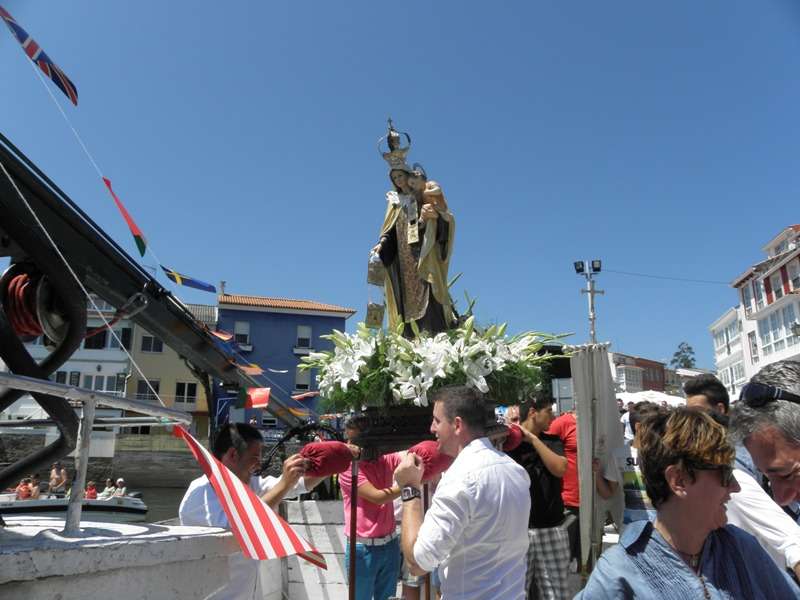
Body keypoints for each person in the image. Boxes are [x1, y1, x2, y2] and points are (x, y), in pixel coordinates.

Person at [577, 407, 799, 599]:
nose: (735, 487)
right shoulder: (618, 573)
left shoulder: (742, 547)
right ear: (679, 480)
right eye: (724, 474)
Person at [394, 385, 531, 599]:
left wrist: (410, 489)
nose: (432, 428)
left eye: (437, 421)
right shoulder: (516, 471)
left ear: (457, 425)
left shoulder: (459, 480)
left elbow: (417, 563)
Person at [179, 422, 327, 600]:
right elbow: (242, 528)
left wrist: (335, 461)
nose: (259, 464)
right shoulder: (200, 495)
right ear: (233, 454)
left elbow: (298, 485)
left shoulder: (248, 483)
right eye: (255, 457)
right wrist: (284, 484)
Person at [373, 122, 455, 337]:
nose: (399, 181)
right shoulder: (394, 201)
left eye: (401, 176)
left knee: (428, 285)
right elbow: (389, 228)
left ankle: (433, 331)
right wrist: (381, 243)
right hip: (403, 256)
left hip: (422, 252)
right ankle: (410, 335)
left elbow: (442, 217)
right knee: (407, 297)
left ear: (408, 175)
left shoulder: (420, 195)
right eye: (395, 178)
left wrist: (430, 218)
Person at [506, 392, 570, 600]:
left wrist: (533, 439)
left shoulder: (551, 441)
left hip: (551, 528)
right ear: (533, 413)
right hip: (517, 532)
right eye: (548, 411)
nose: (553, 416)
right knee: (514, 593)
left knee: (556, 594)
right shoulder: (508, 445)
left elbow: (560, 468)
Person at [338, 416, 403, 600]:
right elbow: (377, 497)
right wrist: (408, 483)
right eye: (349, 440)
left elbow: (409, 455)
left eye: (356, 441)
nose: (351, 445)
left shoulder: (385, 459)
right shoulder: (348, 468)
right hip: (362, 549)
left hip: (389, 546)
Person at [602, 402, 665, 525]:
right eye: (656, 426)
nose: (661, 430)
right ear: (638, 427)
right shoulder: (620, 454)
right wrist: (596, 472)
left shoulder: (665, 454)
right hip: (631, 529)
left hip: (663, 529)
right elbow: (608, 492)